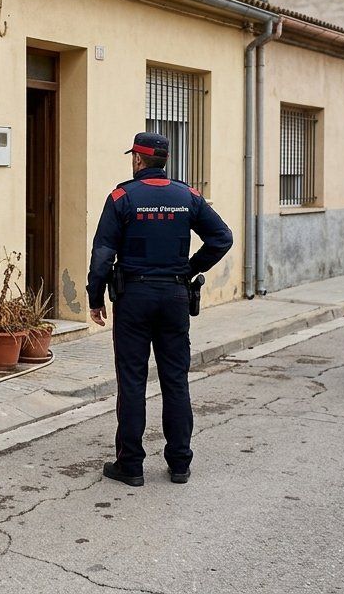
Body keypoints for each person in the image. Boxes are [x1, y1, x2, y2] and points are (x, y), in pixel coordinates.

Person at [87, 132, 233, 487]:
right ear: (163, 160)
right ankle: (180, 463)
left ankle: (131, 466)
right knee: (175, 380)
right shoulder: (187, 196)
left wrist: (94, 298)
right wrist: (191, 267)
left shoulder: (122, 196)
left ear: (138, 160)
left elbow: (104, 253)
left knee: (133, 381)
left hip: (134, 297)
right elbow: (222, 237)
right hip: (174, 296)